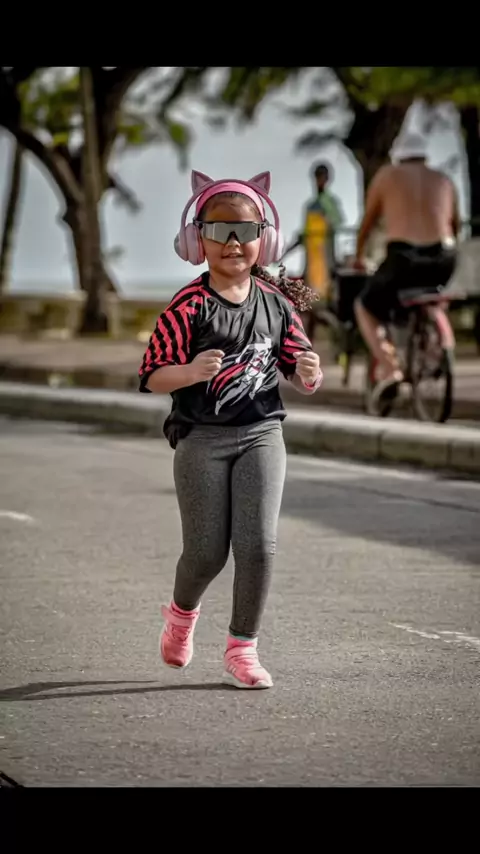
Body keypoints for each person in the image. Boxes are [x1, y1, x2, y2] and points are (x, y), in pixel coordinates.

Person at [138, 170, 323, 689]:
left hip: (262, 433)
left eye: (245, 231)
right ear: (197, 239)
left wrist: (309, 374)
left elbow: (299, 365)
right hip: (202, 438)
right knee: (205, 554)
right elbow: (152, 375)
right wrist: (190, 373)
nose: (233, 243)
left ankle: (243, 649)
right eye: (219, 231)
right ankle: (181, 617)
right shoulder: (188, 307)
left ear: (266, 239)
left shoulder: (277, 304)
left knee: (258, 546)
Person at [353, 131, 459, 401]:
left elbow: (367, 224)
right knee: (432, 294)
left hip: (404, 258)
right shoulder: (444, 179)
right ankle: (433, 345)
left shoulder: (387, 176)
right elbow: (455, 224)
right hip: (444, 257)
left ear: (397, 156)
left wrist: (358, 255)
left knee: (364, 306)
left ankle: (390, 369)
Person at [283, 162, 345, 339]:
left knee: (327, 305)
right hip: (311, 265)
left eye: (322, 177)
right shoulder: (310, 206)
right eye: (317, 177)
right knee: (307, 308)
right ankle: (307, 345)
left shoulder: (330, 203)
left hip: (326, 263)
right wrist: (284, 253)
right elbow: (304, 235)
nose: (320, 181)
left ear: (328, 179)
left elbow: (337, 223)